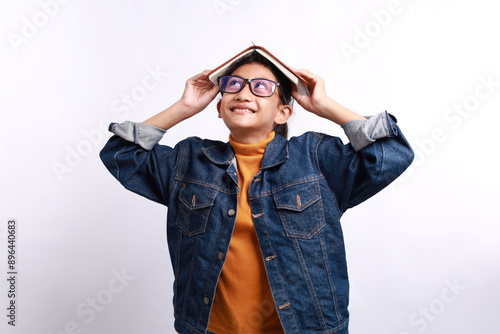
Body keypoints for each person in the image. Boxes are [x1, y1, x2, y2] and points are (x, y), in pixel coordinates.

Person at [100, 50, 414, 334]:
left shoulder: (315, 158)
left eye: (261, 86)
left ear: (283, 113)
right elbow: (121, 155)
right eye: (233, 85)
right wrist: (183, 107)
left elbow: (392, 153)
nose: (244, 92)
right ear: (220, 108)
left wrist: (325, 106)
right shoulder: (189, 161)